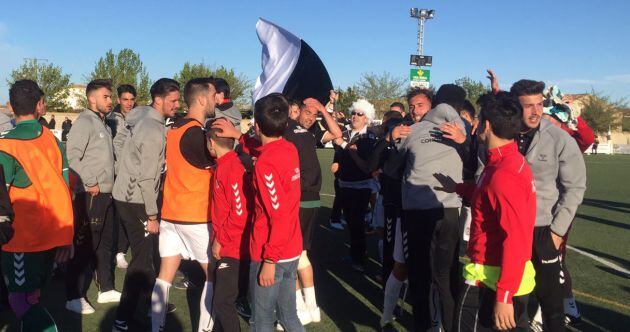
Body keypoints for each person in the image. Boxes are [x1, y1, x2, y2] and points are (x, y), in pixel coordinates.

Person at [435, 92, 536, 331]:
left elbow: (516, 237)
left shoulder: (504, 174)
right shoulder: (503, 162)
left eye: (477, 118)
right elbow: (487, 197)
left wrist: (504, 295)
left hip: (490, 279)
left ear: (486, 125)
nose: (474, 124)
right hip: (501, 278)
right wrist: (459, 188)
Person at [509, 79, 586, 332]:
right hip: (509, 231)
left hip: (544, 231)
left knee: (551, 305)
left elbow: (574, 187)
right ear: (514, 106)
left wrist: (556, 231)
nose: (535, 111)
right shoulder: (502, 134)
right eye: (528, 105)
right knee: (512, 301)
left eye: (539, 104)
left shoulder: (559, 138)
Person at [0, 79, 74, 331]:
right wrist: (67, 235)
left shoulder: (5, 145)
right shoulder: (52, 140)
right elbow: (65, 188)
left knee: (20, 300)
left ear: (10, 106)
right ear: (40, 104)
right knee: (32, 296)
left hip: (20, 239)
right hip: (52, 235)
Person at [394, 84, 468, 331]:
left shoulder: (443, 129)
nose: (415, 110)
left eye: (420, 105)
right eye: (412, 106)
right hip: (436, 211)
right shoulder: (456, 128)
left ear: (432, 105)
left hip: (432, 211)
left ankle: (434, 325)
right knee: (438, 276)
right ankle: (438, 325)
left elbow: (391, 170)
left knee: (428, 276)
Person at [111, 78, 180, 331]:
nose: (177, 104)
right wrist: (152, 214)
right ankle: (121, 318)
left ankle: (152, 307)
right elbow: (147, 177)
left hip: (129, 195)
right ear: (158, 100)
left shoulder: (142, 120)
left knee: (149, 256)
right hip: (137, 200)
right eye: (173, 100)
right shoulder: (151, 128)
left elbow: (123, 149)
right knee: (141, 261)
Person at [150, 78, 217, 332]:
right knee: (214, 276)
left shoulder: (175, 128)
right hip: (196, 216)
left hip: (171, 214)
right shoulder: (195, 133)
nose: (216, 100)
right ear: (201, 99)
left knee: (165, 275)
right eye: (212, 95)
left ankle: (156, 327)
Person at [244, 93, 304, 331]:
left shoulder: (266, 163)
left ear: (257, 126)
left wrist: (269, 259)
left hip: (271, 252)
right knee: (289, 317)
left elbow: (277, 215)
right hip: (290, 248)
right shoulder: (289, 149)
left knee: (262, 321)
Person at [65, 79, 120, 314]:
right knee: (86, 244)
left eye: (110, 97)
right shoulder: (85, 122)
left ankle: (105, 288)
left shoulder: (105, 124)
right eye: (106, 96)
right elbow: (73, 156)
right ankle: (72, 296)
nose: (110, 101)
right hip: (91, 194)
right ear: (92, 99)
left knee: (105, 243)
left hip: (107, 193)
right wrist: (91, 181)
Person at [206, 119, 253, 332]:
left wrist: (219, 240)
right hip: (229, 244)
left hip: (233, 247)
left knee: (223, 303)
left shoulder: (232, 168)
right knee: (222, 300)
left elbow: (240, 212)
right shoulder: (224, 165)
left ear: (211, 142)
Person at [333, 99, 378, 272]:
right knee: (351, 222)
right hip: (345, 183)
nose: (355, 116)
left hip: (361, 185)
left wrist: (345, 145)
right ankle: (356, 252)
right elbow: (340, 154)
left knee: (357, 222)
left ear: (367, 118)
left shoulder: (368, 137)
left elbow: (365, 165)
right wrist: (336, 161)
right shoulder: (346, 133)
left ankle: (359, 257)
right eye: (354, 113)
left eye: (360, 114)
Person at [107, 84, 138, 270]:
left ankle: (126, 249)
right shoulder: (111, 120)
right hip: (117, 174)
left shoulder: (140, 118)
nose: (128, 103)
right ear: (119, 100)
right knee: (117, 215)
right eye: (125, 99)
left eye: (131, 99)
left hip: (134, 173)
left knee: (131, 214)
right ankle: (118, 252)